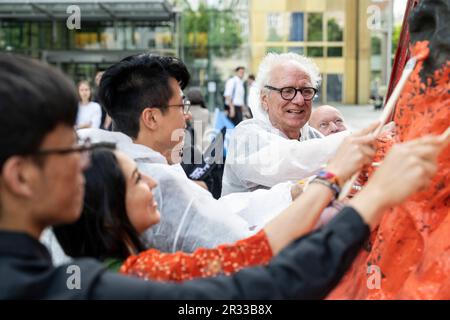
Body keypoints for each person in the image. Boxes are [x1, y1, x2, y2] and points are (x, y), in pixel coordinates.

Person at [0, 53, 447, 300]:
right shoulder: (114, 281)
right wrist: (363, 195)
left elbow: (250, 251)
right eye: (68, 151)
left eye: (306, 92)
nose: (299, 101)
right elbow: (254, 276)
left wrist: (329, 180)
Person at [53, 124, 378, 281]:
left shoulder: (119, 266)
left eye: (307, 90)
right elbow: (251, 253)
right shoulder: (142, 273)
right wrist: (333, 177)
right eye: (137, 180)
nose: (152, 182)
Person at [78, 54, 303, 254]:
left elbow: (211, 210)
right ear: (152, 118)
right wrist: (321, 188)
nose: (187, 116)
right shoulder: (158, 182)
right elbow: (240, 245)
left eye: (306, 91)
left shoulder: (106, 157)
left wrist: (287, 194)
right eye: (182, 106)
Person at [222, 53, 349, 195]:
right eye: (287, 91)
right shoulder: (246, 136)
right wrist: (354, 140)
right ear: (265, 99)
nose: (299, 100)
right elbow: (290, 160)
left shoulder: (315, 137)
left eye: (306, 91)